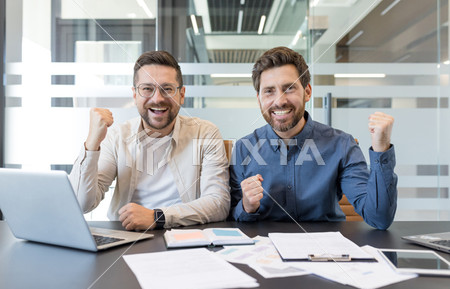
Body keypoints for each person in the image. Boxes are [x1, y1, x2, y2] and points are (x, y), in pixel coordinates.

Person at [229, 46, 397, 230]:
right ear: (259, 98)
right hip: (264, 253)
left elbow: (379, 219)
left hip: (328, 252)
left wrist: (381, 148)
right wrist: (247, 206)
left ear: (307, 92)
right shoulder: (244, 149)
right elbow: (232, 216)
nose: (279, 101)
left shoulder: (341, 145)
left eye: (289, 88)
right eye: (269, 91)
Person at [69, 50, 230, 230]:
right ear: (135, 94)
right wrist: (92, 143)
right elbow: (82, 204)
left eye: (167, 89)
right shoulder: (116, 137)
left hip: (185, 236)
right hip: (126, 236)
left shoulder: (205, 133)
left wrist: (157, 217)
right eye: (147, 89)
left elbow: (218, 203)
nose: (157, 98)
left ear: (181, 94)